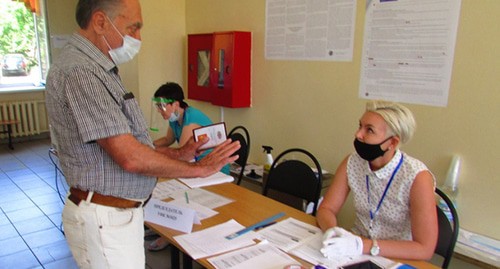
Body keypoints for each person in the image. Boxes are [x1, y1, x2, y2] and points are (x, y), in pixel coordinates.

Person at [44, 1, 239, 268]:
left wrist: (180, 154)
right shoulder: (82, 72)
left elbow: (133, 145)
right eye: (133, 28)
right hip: (106, 217)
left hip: (116, 214)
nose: (138, 38)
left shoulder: (98, 68)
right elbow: (130, 157)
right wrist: (198, 169)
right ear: (100, 22)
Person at [316, 100, 438, 261]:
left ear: (392, 142)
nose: (358, 134)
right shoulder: (353, 162)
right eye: (360, 126)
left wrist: (361, 245)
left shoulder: (417, 177)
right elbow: (327, 209)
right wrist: (333, 232)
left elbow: (424, 249)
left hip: (395, 257)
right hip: (354, 252)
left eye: (369, 130)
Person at [147, 81, 230, 251]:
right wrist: (147, 146)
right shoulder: (175, 119)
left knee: (176, 192)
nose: (159, 110)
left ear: (175, 104)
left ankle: (173, 233)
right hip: (195, 167)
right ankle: (166, 227)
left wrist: (154, 153)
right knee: (169, 191)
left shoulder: (191, 119)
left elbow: (183, 154)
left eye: (162, 106)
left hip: (213, 170)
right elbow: (168, 140)